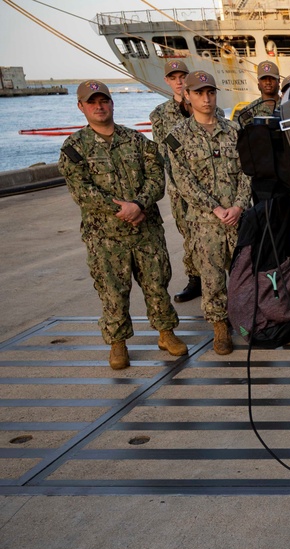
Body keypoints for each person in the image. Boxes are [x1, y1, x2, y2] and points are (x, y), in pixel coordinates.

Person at [59, 80, 188, 369]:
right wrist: (123, 209)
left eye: (103, 100)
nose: (99, 106)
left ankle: (166, 334)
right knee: (113, 291)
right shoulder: (74, 147)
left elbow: (157, 176)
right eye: (92, 102)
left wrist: (139, 204)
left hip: (146, 230)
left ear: (112, 103)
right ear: (81, 107)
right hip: (106, 236)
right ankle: (118, 345)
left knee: (157, 283)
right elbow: (81, 190)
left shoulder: (137, 140)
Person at [164, 71, 252, 354]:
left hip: (237, 216)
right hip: (205, 221)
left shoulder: (235, 131)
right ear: (187, 96)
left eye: (210, 92)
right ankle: (219, 327)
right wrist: (215, 208)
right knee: (212, 278)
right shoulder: (177, 137)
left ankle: (247, 321)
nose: (206, 98)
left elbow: (248, 171)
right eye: (199, 93)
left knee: (243, 274)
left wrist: (238, 205)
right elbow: (183, 181)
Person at [149, 60, 222, 304]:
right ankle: (195, 279)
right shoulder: (160, 114)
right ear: (167, 81)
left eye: (183, 76)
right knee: (189, 233)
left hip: (213, 184)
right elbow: (162, 151)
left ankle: (222, 281)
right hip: (181, 188)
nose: (179, 81)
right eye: (174, 77)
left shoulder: (213, 109)